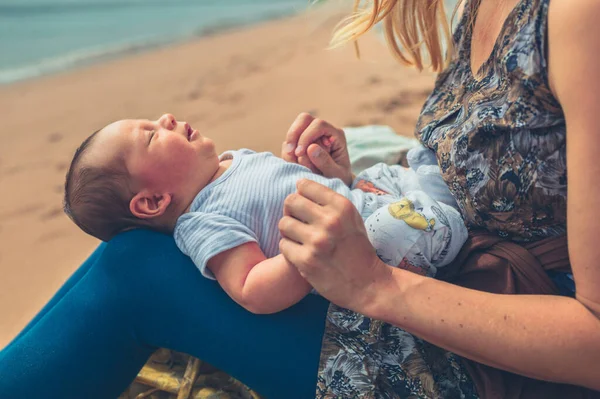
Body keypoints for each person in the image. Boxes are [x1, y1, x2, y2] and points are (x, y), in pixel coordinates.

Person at [1, 0, 599, 398]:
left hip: (485, 357)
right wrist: (345, 179)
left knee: (133, 271)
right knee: (133, 260)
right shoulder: (477, 8)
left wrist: (373, 286)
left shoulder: (578, 18)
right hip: (434, 273)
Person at [63, 115, 467, 314]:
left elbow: (305, 192)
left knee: (384, 174)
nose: (166, 119)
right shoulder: (202, 221)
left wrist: (326, 173)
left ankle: (437, 198)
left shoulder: (231, 160)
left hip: (358, 204)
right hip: (365, 251)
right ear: (152, 202)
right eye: (152, 135)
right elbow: (251, 289)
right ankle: (448, 216)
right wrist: (302, 254)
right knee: (397, 223)